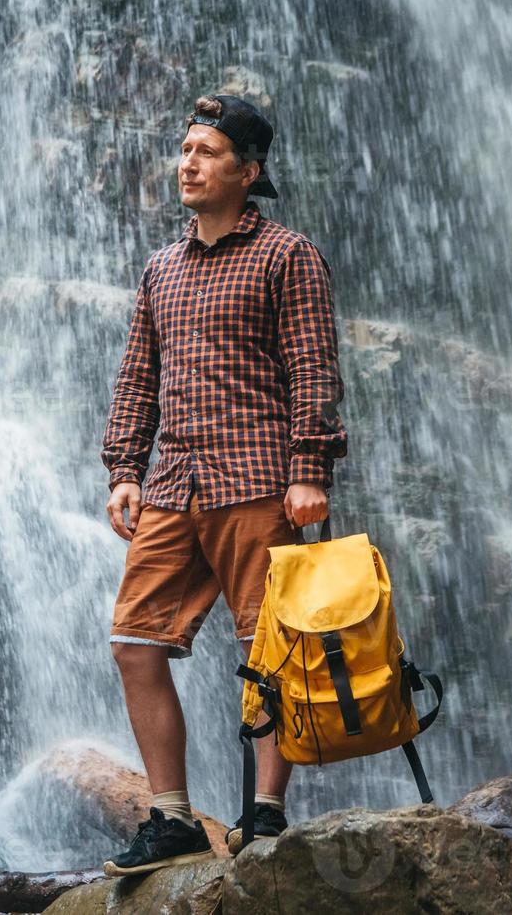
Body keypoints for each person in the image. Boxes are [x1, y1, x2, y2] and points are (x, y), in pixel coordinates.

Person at [98, 93, 348, 875]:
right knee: (135, 641)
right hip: (175, 483)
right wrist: (123, 469)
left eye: (206, 151)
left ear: (249, 171)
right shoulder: (160, 267)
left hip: (257, 484)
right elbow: (139, 378)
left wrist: (310, 469)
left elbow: (313, 368)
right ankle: (171, 816)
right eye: (183, 150)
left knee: (270, 651)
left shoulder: (286, 255)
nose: (188, 163)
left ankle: (266, 814)